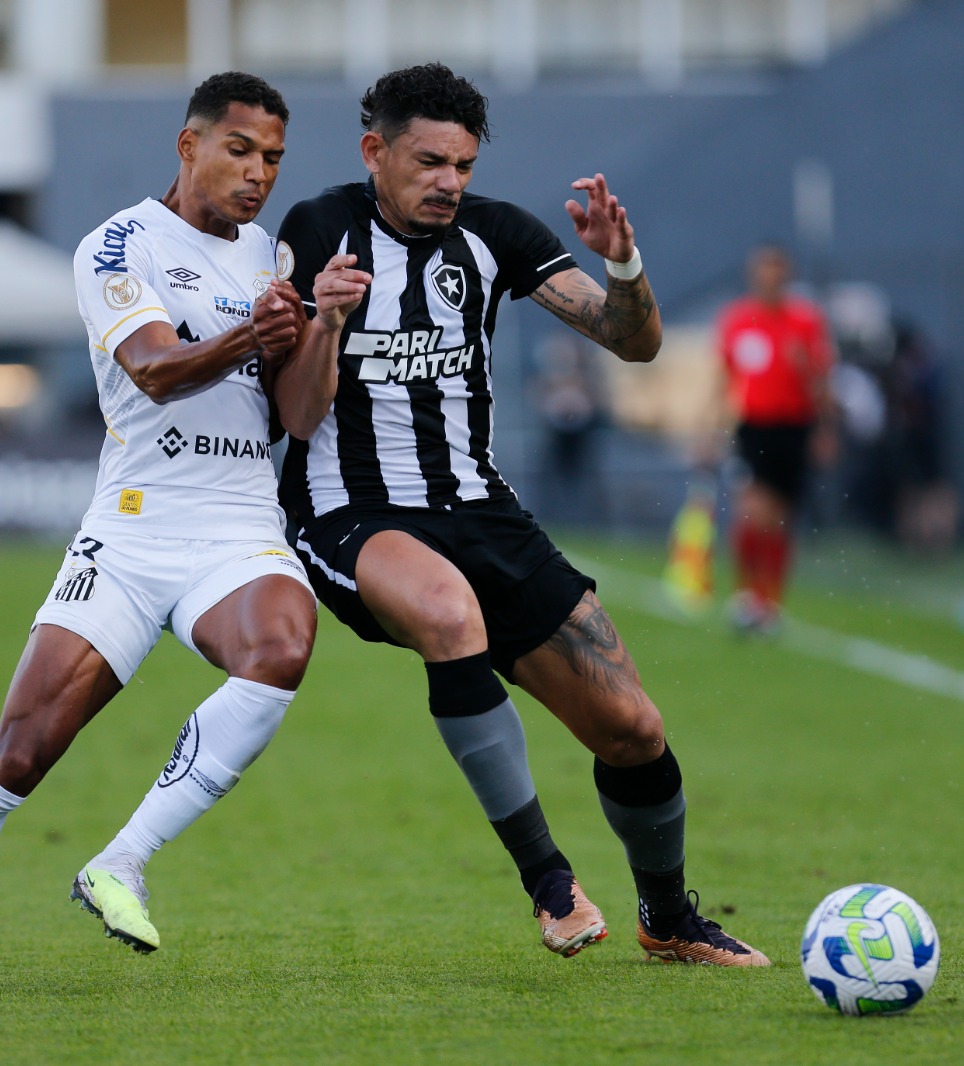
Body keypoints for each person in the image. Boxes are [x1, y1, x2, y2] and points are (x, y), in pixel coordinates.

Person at [0, 72, 358, 995]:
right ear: (189, 143)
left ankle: (121, 860)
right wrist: (253, 333)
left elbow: (302, 418)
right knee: (20, 753)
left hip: (238, 524)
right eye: (240, 150)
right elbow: (155, 371)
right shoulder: (117, 243)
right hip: (131, 531)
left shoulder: (269, 257)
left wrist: (320, 332)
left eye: (273, 158)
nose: (258, 173)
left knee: (282, 643)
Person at [276, 63, 768, 966]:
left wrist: (621, 261)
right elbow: (299, 416)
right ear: (373, 151)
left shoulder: (494, 232)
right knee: (448, 614)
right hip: (350, 511)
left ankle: (667, 919)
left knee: (635, 731)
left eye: (462, 163)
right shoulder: (318, 230)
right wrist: (326, 324)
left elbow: (635, 342)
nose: (449, 182)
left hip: (481, 512)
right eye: (429, 161)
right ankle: (549, 882)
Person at [717, 244, 836, 633]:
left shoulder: (805, 322)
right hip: (754, 427)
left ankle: (771, 601)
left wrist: (825, 429)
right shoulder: (736, 320)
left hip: (794, 427)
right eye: (763, 268)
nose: (769, 276)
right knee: (752, 510)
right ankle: (749, 595)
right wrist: (710, 428)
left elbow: (822, 382)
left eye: (776, 269)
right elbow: (724, 378)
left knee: (781, 520)